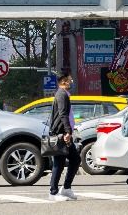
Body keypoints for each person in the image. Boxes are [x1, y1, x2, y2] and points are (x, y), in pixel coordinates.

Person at [47, 73, 79, 201]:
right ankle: (53, 192)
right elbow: (62, 114)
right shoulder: (61, 94)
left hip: (64, 132)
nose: (71, 81)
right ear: (64, 82)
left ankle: (66, 188)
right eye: (70, 80)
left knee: (75, 159)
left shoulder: (64, 94)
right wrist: (67, 132)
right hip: (60, 133)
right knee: (58, 163)